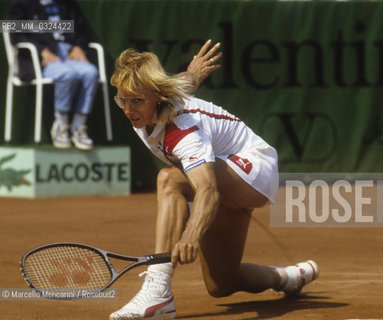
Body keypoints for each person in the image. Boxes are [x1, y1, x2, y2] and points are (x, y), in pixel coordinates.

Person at [109, 40, 318, 320]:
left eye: (137, 100)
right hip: (228, 180)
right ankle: (288, 277)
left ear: (157, 97)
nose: (128, 108)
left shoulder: (183, 129)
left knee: (169, 180)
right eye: (123, 99)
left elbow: (207, 190)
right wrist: (194, 73)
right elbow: (182, 82)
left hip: (255, 168)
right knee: (221, 284)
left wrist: (191, 235)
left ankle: (158, 291)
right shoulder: (150, 101)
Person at [9, 0, 99, 150]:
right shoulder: (22, 3)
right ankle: (61, 125)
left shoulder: (67, 3)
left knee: (91, 72)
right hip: (41, 60)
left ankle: (78, 126)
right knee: (67, 74)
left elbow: (82, 30)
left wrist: (78, 46)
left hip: (70, 55)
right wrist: (41, 50)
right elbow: (15, 33)